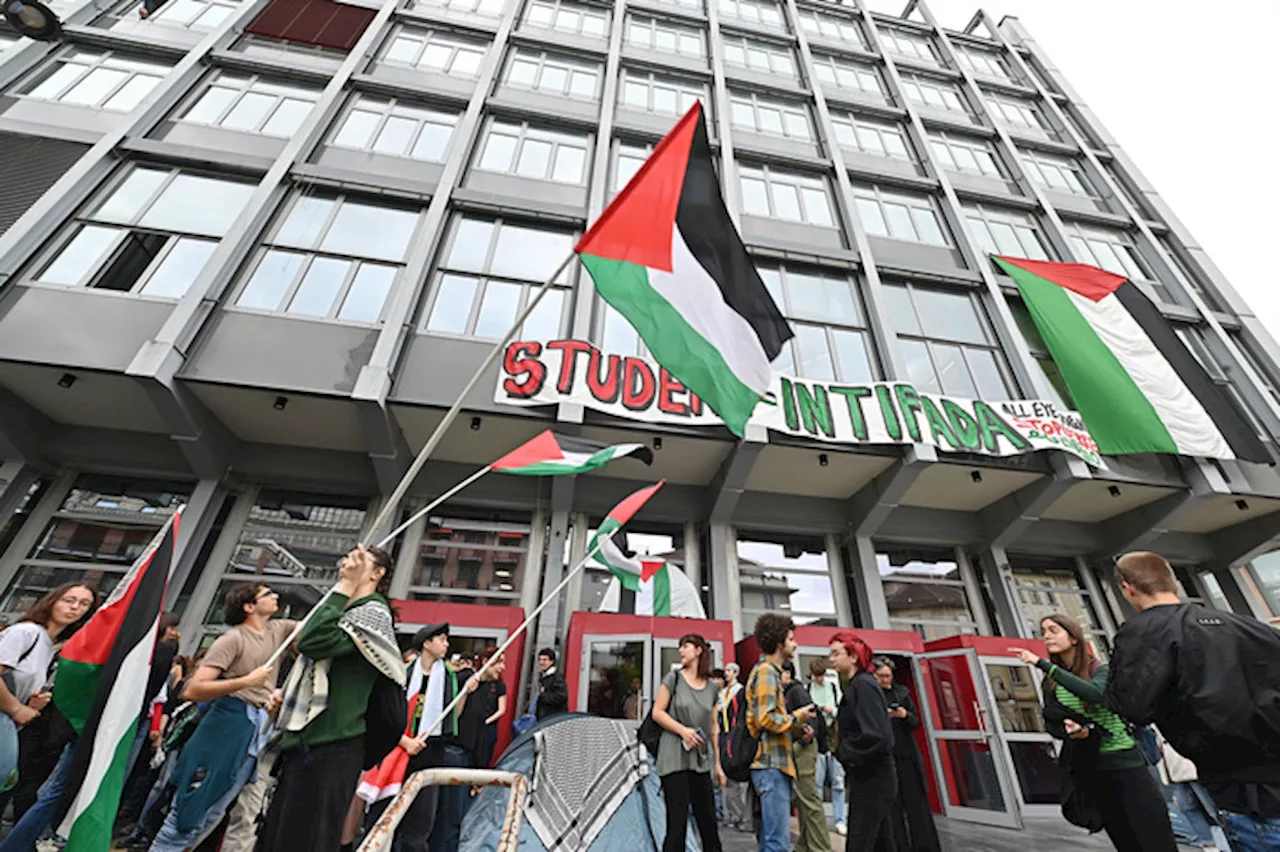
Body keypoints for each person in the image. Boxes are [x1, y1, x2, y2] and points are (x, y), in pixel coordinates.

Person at [1101, 552, 1280, 852]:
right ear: (1173, 582)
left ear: (1127, 588)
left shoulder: (1144, 631)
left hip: (1246, 796)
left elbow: (1131, 705)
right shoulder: (1248, 626)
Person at [257, 545, 408, 852]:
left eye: (359, 559)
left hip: (333, 746)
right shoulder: (343, 612)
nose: (347, 563)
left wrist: (344, 586)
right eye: (347, 558)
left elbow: (313, 641)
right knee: (277, 839)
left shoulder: (372, 615)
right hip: (304, 743)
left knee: (306, 841)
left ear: (378, 573)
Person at [147, 586, 295, 852]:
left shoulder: (278, 630)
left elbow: (314, 623)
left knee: (214, 813)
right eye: (267, 593)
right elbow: (192, 689)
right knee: (191, 810)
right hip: (228, 723)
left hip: (254, 729)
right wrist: (246, 682)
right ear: (249, 607)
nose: (275, 597)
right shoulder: (232, 639)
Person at [1015, 614, 1177, 852]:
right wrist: (1072, 730)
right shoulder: (1051, 682)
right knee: (1124, 838)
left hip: (1126, 764)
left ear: (1073, 638)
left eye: (1053, 630)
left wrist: (1042, 664)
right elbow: (1052, 723)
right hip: (1093, 767)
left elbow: (1094, 694)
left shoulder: (1100, 669)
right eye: (1043, 631)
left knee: (1154, 837)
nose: (1046, 636)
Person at [0, 585, 99, 852]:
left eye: (84, 604)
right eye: (69, 600)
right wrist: (16, 708)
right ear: (52, 600)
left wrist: (28, 703)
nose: (75, 607)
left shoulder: (48, 644)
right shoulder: (27, 632)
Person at [389, 622, 478, 852]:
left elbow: (453, 715)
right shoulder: (404, 673)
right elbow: (387, 714)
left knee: (422, 819)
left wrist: (465, 692)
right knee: (390, 812)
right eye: (442, 640)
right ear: (427, 643)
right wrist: (404, 741)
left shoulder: (448, 676)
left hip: (432, 751)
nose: (446, 645)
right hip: (399, 750)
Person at [745, 614, 815, 852]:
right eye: (791, 639)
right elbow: (765, 719)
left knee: (770, 839)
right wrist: (798, 717)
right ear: (779, 644)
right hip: (771, 765)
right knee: (777, 842)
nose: (795, 644)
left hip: (772, 765)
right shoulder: (767, 672)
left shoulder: (768, 671)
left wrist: (796, 730)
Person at [651, 633, 724, 852]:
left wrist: (718, 764)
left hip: (699, 760)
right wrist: (683, 731)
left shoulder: (712, 687)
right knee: (678, 825)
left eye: (686, 646)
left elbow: (713, 727)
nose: (681, 650)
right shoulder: (673, 679)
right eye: (680, 646)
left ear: (699, 651)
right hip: (674, 756)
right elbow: (657, 712)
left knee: (709, 822)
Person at [828, 631, 895, 852]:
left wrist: (843, 751)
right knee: (879, 843)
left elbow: (878, 735)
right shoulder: (858, 685)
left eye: (836, 653)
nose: (832, 659)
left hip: (873, 779)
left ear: (853, 656)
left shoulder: (863, 686)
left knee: (860, 843)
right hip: (870, 778)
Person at [872, 658, 939, 852]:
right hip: (886, 754)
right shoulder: (872, 696)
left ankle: (924, 845)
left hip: (906, 753)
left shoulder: (902, 692)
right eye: (882, 676)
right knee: (892, 806)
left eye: (888, 676)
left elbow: (916, 721)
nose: (886, 680)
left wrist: (904, 715)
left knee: (916, 802)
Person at [782, 662, 831, 852]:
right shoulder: (790, 692)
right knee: (802, 801)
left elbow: (811, 719)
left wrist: (802, 740)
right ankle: (805, 845)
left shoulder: (796, 692)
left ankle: (820, 847)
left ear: (787, 674)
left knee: (809, 800)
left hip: (803, 748)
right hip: (800, 747)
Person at [807, 658, 846, 837]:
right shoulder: (808, 689)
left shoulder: (831, 686)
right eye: (817, 676)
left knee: (838, 780)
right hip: (817, 737)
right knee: (817, 781)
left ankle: (840, 819)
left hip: (833, 735)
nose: (820, 679)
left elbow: (841, 708)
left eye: (821, 676)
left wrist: (832, 710)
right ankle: (819, 819)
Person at [717, 662, 751, 834]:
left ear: (736, 673)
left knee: (739, 779)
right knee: (728, 777)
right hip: (724, 733)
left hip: (736, 735)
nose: (726, 673)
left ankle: (742, 815)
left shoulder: (740, 691)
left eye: (729, 670)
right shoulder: (723, 693)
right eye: (726, 671)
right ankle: (733, 814)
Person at [469, 649, 507, 770]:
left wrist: (486, 721)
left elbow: (502, 709)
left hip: (488, 728)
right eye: (499, 662)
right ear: (486, 661)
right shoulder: (472, 682)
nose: (503, 667)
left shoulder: (500, 685)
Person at [534, 647, 568, 721]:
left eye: (545, 660)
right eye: (540, 659)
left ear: (551, 661)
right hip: (546, 719)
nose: (541, 662)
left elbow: (562, 696)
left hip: (551, 719)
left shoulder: (557, 677)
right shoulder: (545, 676)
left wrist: (543, 695)